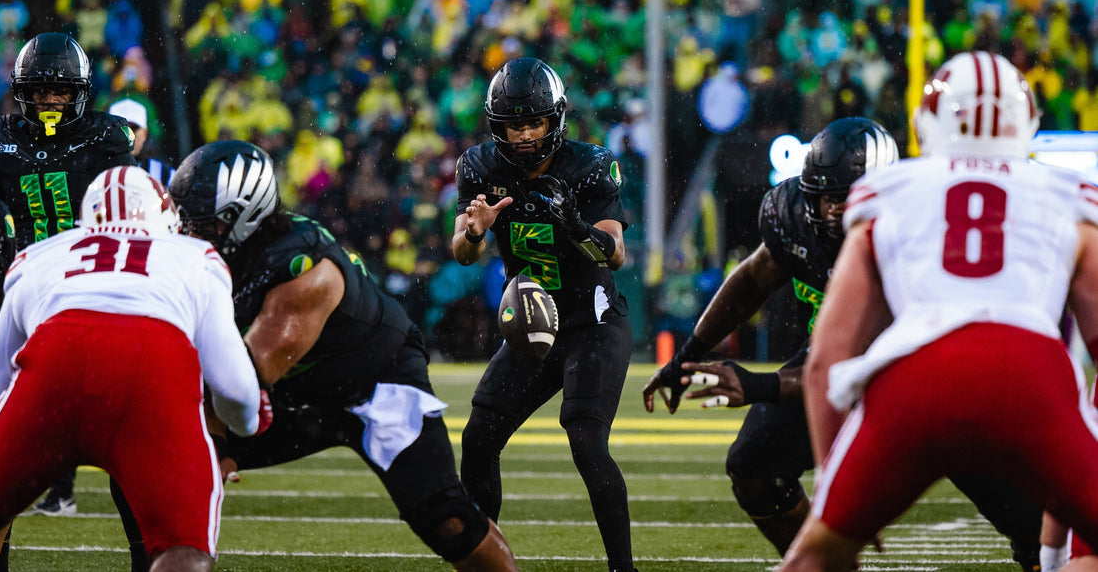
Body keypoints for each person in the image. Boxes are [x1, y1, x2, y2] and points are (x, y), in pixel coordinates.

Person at [641, 116, 1044, 568]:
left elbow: (855, 366)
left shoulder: (916, 236)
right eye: (826, 197)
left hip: (944, 373)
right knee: (756, 466)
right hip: (840, 356)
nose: (835, 210)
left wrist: (756, 386)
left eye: (847, 196)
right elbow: (756, 276)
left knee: (1035, 523)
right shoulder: (795, 218)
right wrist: (688, 355)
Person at [776, 51, 1098, 571]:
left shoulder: (891, 192)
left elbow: (826, 359)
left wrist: (837, 480)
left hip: (915, 379)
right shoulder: (1065, 194)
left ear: (929, 122)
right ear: (1029, 121)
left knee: (817, 557)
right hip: (1030, 376)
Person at [139, 139, 514, 571]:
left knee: (446, 519)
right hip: (297, 390)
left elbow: (242, 381)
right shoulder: (220, 254)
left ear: (244, 216)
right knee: (153, 459)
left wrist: (218, 444)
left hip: (374, 380)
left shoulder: (302, 268)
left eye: (204, 223)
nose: (190, 233)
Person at [0, 165, 268, 572]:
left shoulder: (39, 256)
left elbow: (0, 374)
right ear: (167, 219)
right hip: (149, 368)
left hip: (53, 364)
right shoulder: (195, 257)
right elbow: (232, 385)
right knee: (184, 547)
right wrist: (247, 422)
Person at [452, 57, 637, 572]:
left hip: (593, 322)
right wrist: (474, 230)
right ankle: (483, 563)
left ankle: (624, 569)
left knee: (584, 439)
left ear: (555, 120)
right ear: (499, 126)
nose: (528, 134)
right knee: (479, 436)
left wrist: (577, 225)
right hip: (535, 322)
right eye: (516, 124)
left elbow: (615, 254)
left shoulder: (590, 164)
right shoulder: (480, 168)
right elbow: (462, 252)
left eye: (535, 121)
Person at [0, 33, 136, 538]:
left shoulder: (108, 139)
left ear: (79, 92)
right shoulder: (3, 139)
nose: (50, 101)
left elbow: (129, 209)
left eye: (59, 92)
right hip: (18, 289)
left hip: (88, 286)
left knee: (118, 417)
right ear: (22, 92)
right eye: (39, 92)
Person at [108, 98, 176, 186]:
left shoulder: (166, 175)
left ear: (145, 132)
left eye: (134, 128)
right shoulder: (92, 172)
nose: (129, 135)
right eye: (122, 129)